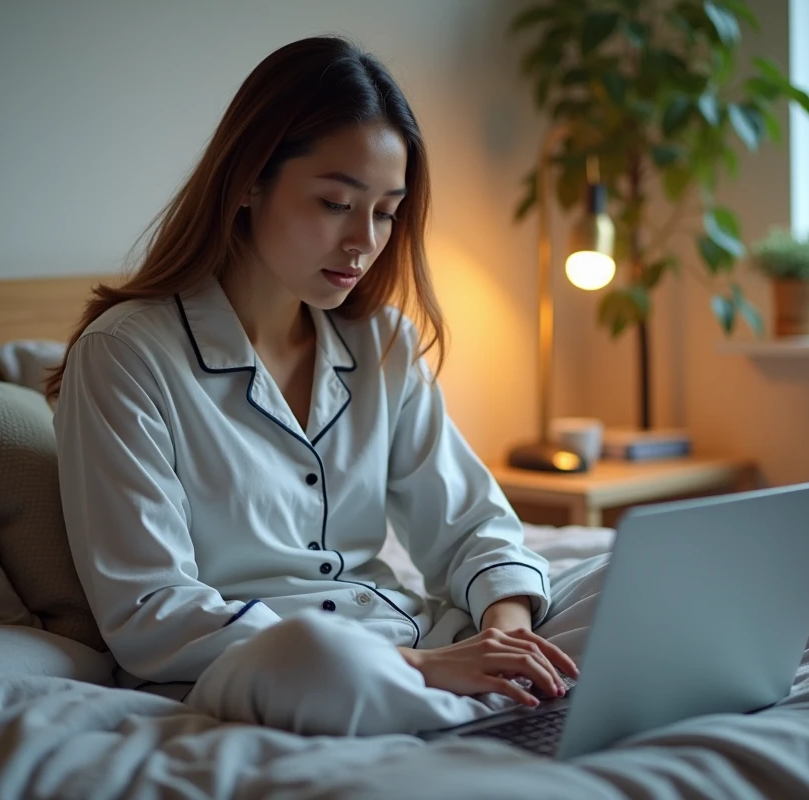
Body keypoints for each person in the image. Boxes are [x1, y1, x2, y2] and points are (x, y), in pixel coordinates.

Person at [50, 35, 608, 737]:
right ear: (250, 180)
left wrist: (505, 634)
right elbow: (149, 610)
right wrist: (422, 666)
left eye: (384, 211)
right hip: (266, 659)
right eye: (336, 203)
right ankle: (468, 714)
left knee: (615, 575)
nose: (363, 243)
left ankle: (501, 706)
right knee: (316, 653)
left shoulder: (383, 342)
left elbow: (474, 527)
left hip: (412, 639)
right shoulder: (126, 356)